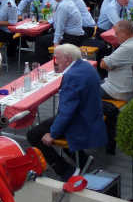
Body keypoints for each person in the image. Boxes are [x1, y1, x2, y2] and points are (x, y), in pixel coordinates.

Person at [26, 44, 107, 180]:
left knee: (33, 134)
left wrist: (53, 133)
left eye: (57, 58)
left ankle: (65, 170)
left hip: (81, 121)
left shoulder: (72, 76)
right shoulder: (86, 66)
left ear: (68, 59)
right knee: (52, 123)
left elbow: (67, 112)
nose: (55, 62)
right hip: (92, 114)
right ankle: (83, 159)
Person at [100, 20, 133, 101]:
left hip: (118, 91)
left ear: (124, 33)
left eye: (116, 33)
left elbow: (103, 64)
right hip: (130, 88)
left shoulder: (127, 48)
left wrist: (107, 60)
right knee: (92, 82)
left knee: (84, 90)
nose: (115, 36)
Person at [36, 0, 84, 64]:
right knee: (44, 37)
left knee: (40, 41)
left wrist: (56, 44)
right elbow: (57, 17)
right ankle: (49, 62)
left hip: (71, 37)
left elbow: (60, 27)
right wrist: (49, 21)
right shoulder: (67, 2)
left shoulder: (63, 6)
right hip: (75, 35)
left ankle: (44, 65)